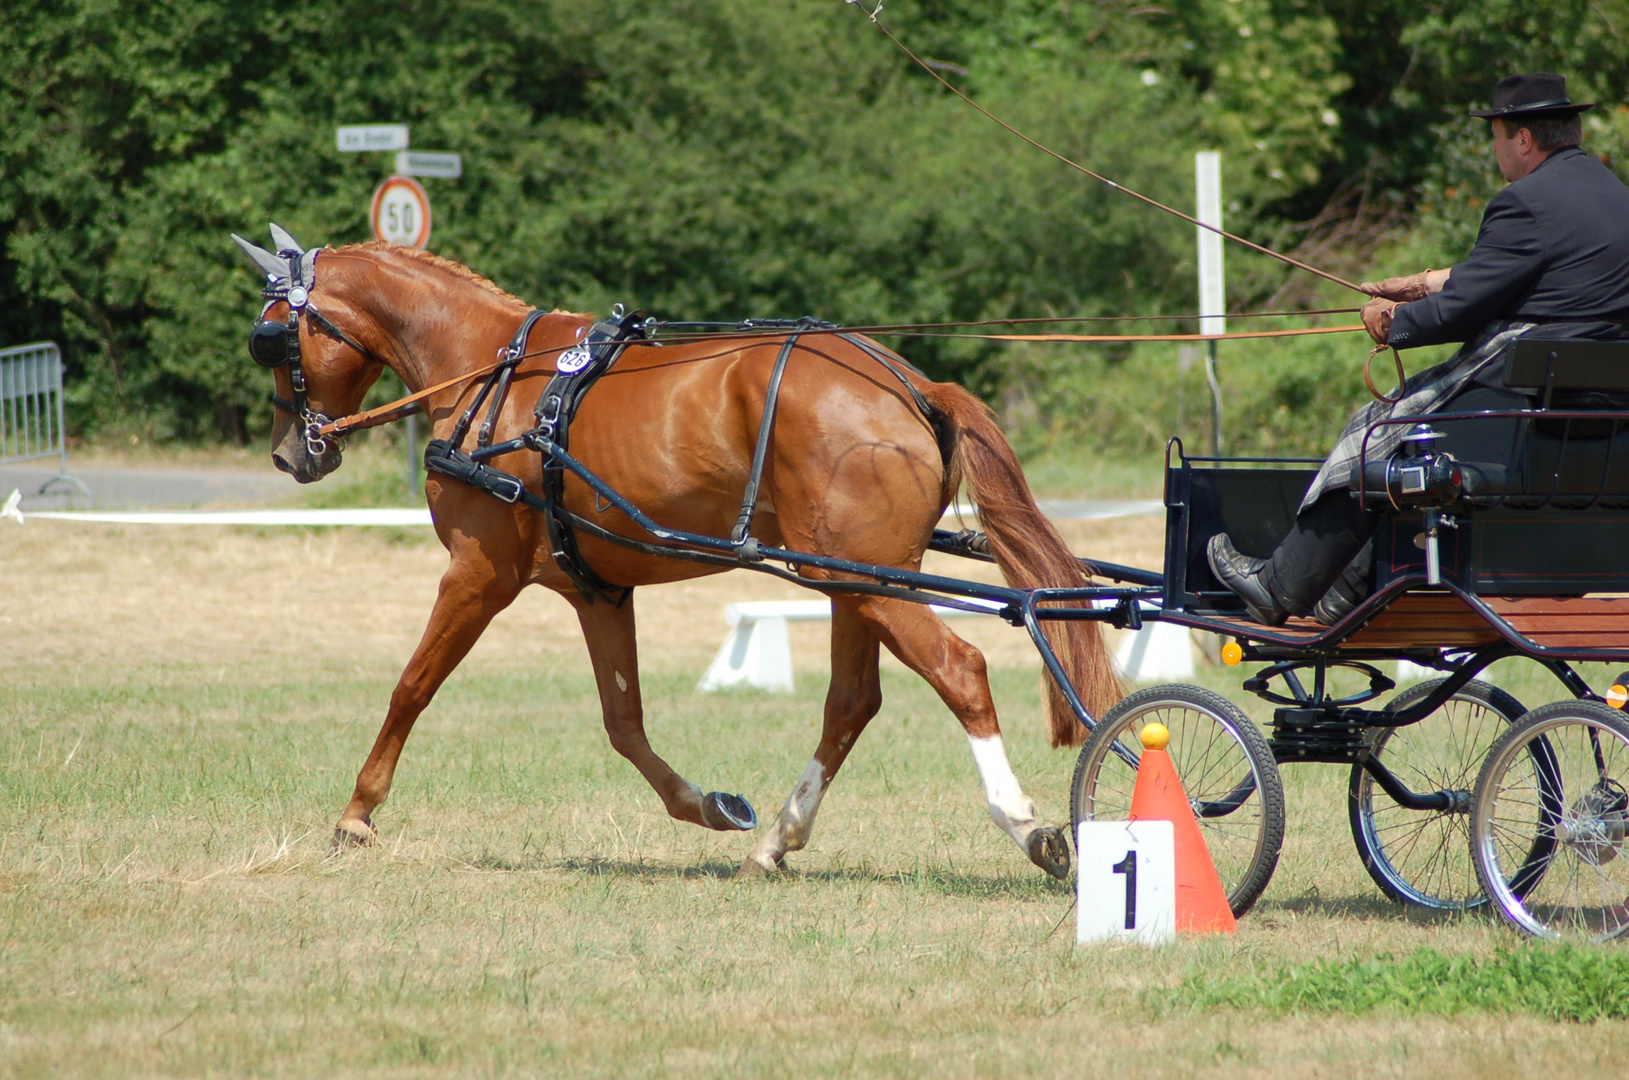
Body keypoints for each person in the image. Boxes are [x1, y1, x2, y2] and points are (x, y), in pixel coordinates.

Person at [1208, 72, 1629, 626]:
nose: (1497, 151)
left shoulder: (1523, 204)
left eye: (1498, 136)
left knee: (1377, 434)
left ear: (1524, 139)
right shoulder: (1613, 197)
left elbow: (1463, 311)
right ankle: (1341, 595)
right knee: (1395, 444)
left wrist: (1390, 323)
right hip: (1594, 421)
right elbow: (1526, 276)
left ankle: (1279, 587)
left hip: (1515, 418)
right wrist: (1423, 282)